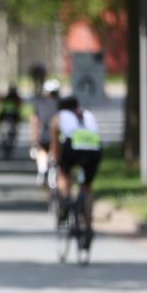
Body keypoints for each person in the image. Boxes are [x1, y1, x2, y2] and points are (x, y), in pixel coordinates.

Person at [49, 95, 102, 249]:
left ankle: (66, 202)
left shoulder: (59, 116)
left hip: (73, 146)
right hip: (94, 149)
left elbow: (55, 141)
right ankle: (88, 221)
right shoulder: (88, 114)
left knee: (64, 173)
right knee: (87, 186)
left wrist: (58, 161)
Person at [30, 79, 61, 186]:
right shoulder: (61, 103)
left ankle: (42, 170)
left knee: (42, 151)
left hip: (43, 134)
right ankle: (52, 171)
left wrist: (34, 139)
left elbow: (34, 121)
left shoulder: (39, 103)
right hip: (57, 136)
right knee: (55, 153)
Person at [0, 88, 22, 159]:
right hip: (10, 117)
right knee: (11, 133)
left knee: (9, 133)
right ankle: (7, 148)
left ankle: (7, 148)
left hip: (8, 117)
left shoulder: (12, 99)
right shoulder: (14, 99)